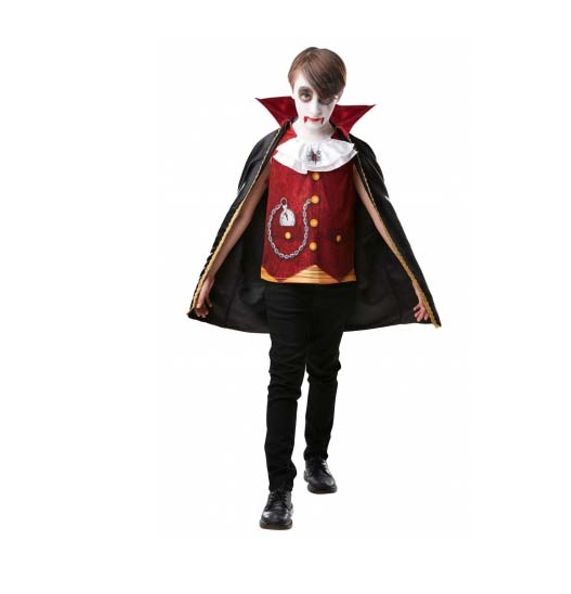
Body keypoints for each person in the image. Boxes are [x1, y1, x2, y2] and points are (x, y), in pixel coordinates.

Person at [187, 47, 441, 530]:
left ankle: (316, 460)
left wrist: (415, 282)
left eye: (327, 96)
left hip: (337, 283)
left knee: (325, 372)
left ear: (339, 96)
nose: (316, 106)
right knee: (284, 379)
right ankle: (278, 489)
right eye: (306, 94)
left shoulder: (353, 152)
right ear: (292, 91)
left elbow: (382, 217)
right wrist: (209, 274)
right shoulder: (274, 148)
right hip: (281, 283)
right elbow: (242, 211)